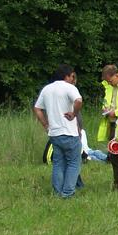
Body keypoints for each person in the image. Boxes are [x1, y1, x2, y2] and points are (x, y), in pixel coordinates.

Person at [33, 64, 83, 198]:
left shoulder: (47, 89)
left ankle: (57, 192)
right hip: (69, 133)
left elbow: (37, 108)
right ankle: (67, 193)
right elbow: (78, 101)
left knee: (58, 163)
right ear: (66, 76)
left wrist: (45, 124)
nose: (73, 78)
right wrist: (74, 113)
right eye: (72, 76)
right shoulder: (70, 88)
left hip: (54, 133)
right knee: (74, 163)